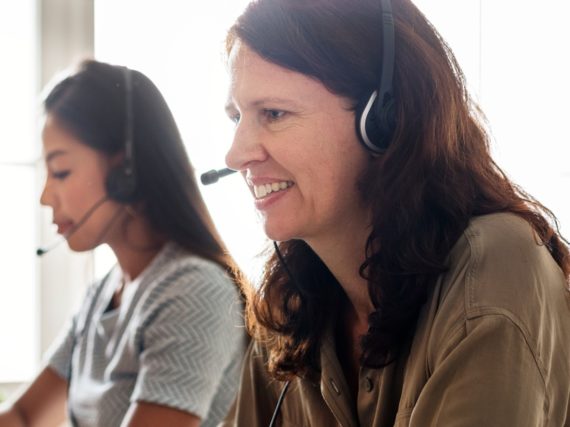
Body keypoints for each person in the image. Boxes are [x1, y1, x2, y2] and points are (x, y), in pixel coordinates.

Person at [220, 0, 570, 426]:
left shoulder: (495, 266)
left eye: (274, 114)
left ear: (382, 119)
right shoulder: (290, 310)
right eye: (237, 116)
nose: (236, 154)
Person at [0, 60, 246, 427]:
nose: (46, 197)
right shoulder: (104, 293)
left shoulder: (192, 290)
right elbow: (22, 416)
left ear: (125, 172)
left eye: (62, 172)